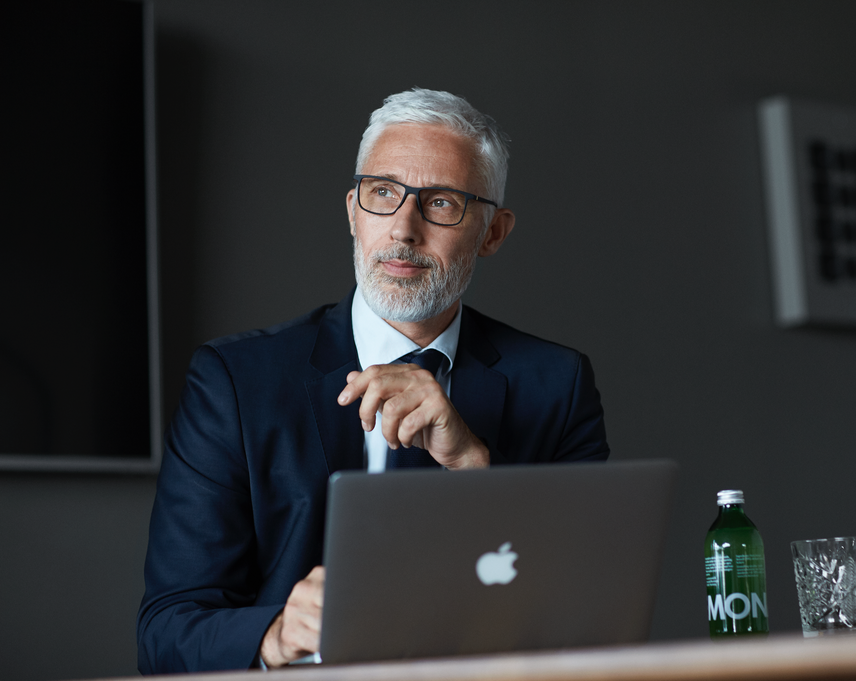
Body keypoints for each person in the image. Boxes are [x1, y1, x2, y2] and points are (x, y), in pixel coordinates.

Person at [137, 88, 610, 674]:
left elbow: (589, 615)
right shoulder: (234, 381)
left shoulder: (557, 384)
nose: (404, 228)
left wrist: (471, 462)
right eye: (383, 193)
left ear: (493, 232)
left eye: (442, 203)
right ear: (354, 212)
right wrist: (278, 635)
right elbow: (167, 632)